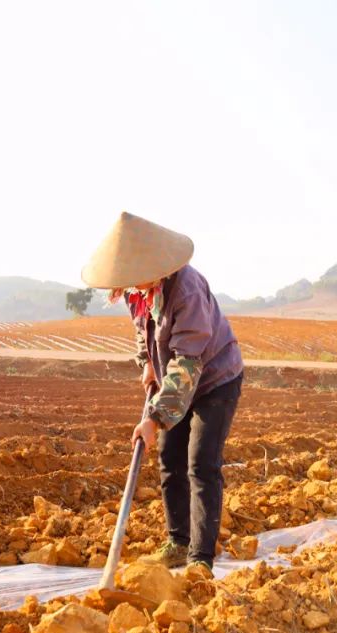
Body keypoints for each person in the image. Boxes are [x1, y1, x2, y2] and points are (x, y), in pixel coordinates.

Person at [82, 212, 244, 572]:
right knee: (170, 460)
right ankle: (177, 543)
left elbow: (188, 362)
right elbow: (144, 333)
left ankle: (200, 561)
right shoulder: (137, 291)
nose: (129, 284)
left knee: (201, 464)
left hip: (213, 379)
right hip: (174, 376)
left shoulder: (186, 290)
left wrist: (155, 418)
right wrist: (147, 364)